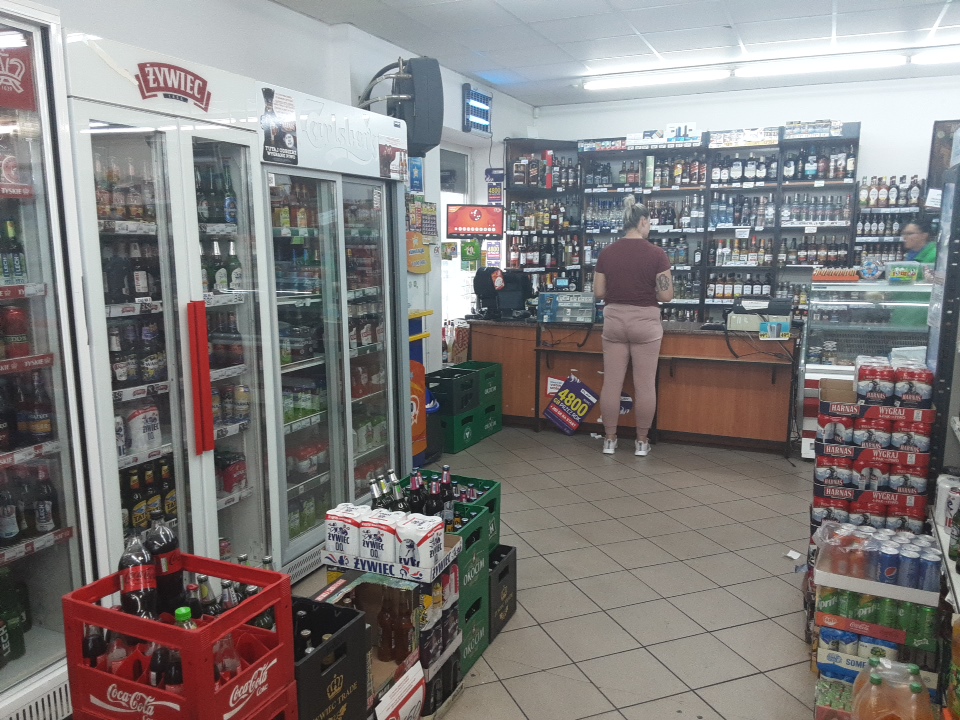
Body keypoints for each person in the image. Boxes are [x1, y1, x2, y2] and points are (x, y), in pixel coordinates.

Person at [594, 195, 673, 456]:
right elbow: (666, 296)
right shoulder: (657, 254)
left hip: (614, 322)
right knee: (645, 385)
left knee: (611, 384)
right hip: (645, 324)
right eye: (649, 223)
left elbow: (598, 292)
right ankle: (641, 442)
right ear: (642, 222)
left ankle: (609, 439)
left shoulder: (607, 253)